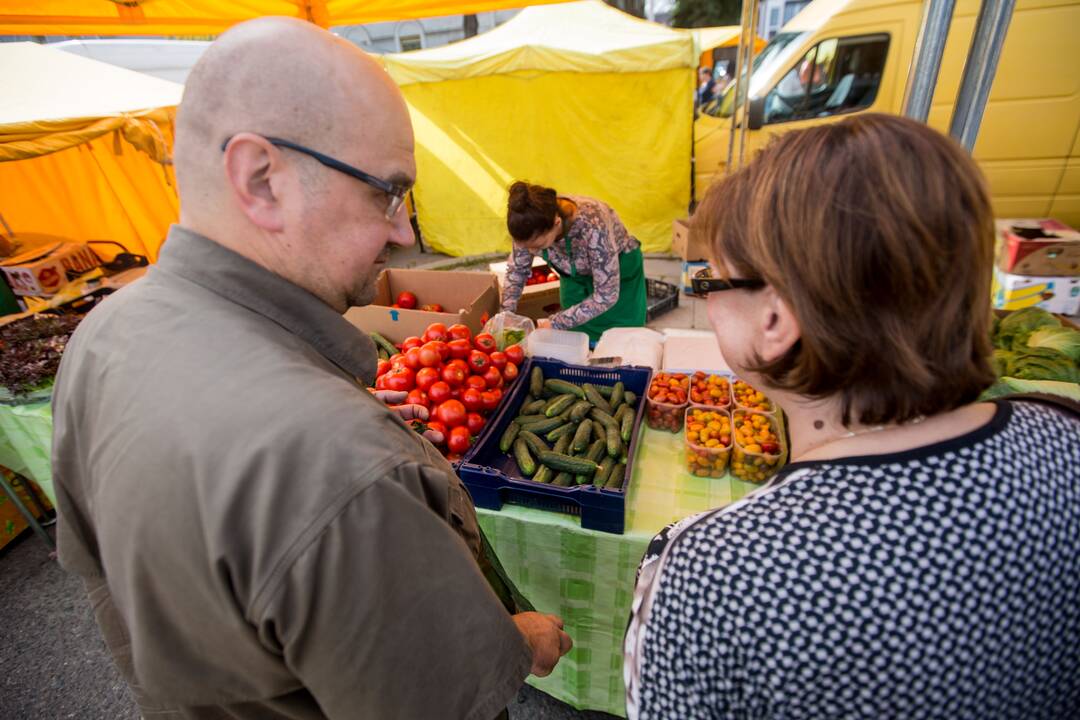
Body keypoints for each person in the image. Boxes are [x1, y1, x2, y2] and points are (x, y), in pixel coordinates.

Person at [51, 17, 570, 720]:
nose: (405, 232)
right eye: (386, 192)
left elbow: (111, 572)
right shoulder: (332, 456)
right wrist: (517, 636)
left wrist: (343, 418)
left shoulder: (103, 335)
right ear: (261, 178)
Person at [624, 114, 1080, 718]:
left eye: (714, 281)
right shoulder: (1067, 437)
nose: (706, 299)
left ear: (776, 321)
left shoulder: (713, 571)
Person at [501, 181, 646, 343]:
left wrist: (555, 322)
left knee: (620, 339)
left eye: (538, 247)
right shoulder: (527, 223)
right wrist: (507, 313)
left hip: (617, 272)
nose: (531, 253)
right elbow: (517, 270)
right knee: (576, 339)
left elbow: (606, 295)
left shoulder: (593, 226)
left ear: (556, 224)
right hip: (574, 276)